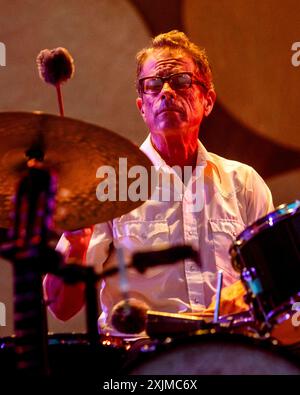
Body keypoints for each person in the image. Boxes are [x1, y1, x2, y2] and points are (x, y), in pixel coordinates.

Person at [44, 30, 273, 337]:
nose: (166, 92)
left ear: (208, 101)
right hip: (140, 364)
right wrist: (77, 246)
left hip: (228, 355)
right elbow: (60, 308)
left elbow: (276, 287)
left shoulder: (244, 183)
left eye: (180, 81)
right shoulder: (110, 184)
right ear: (142, 107)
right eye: (153, 85)